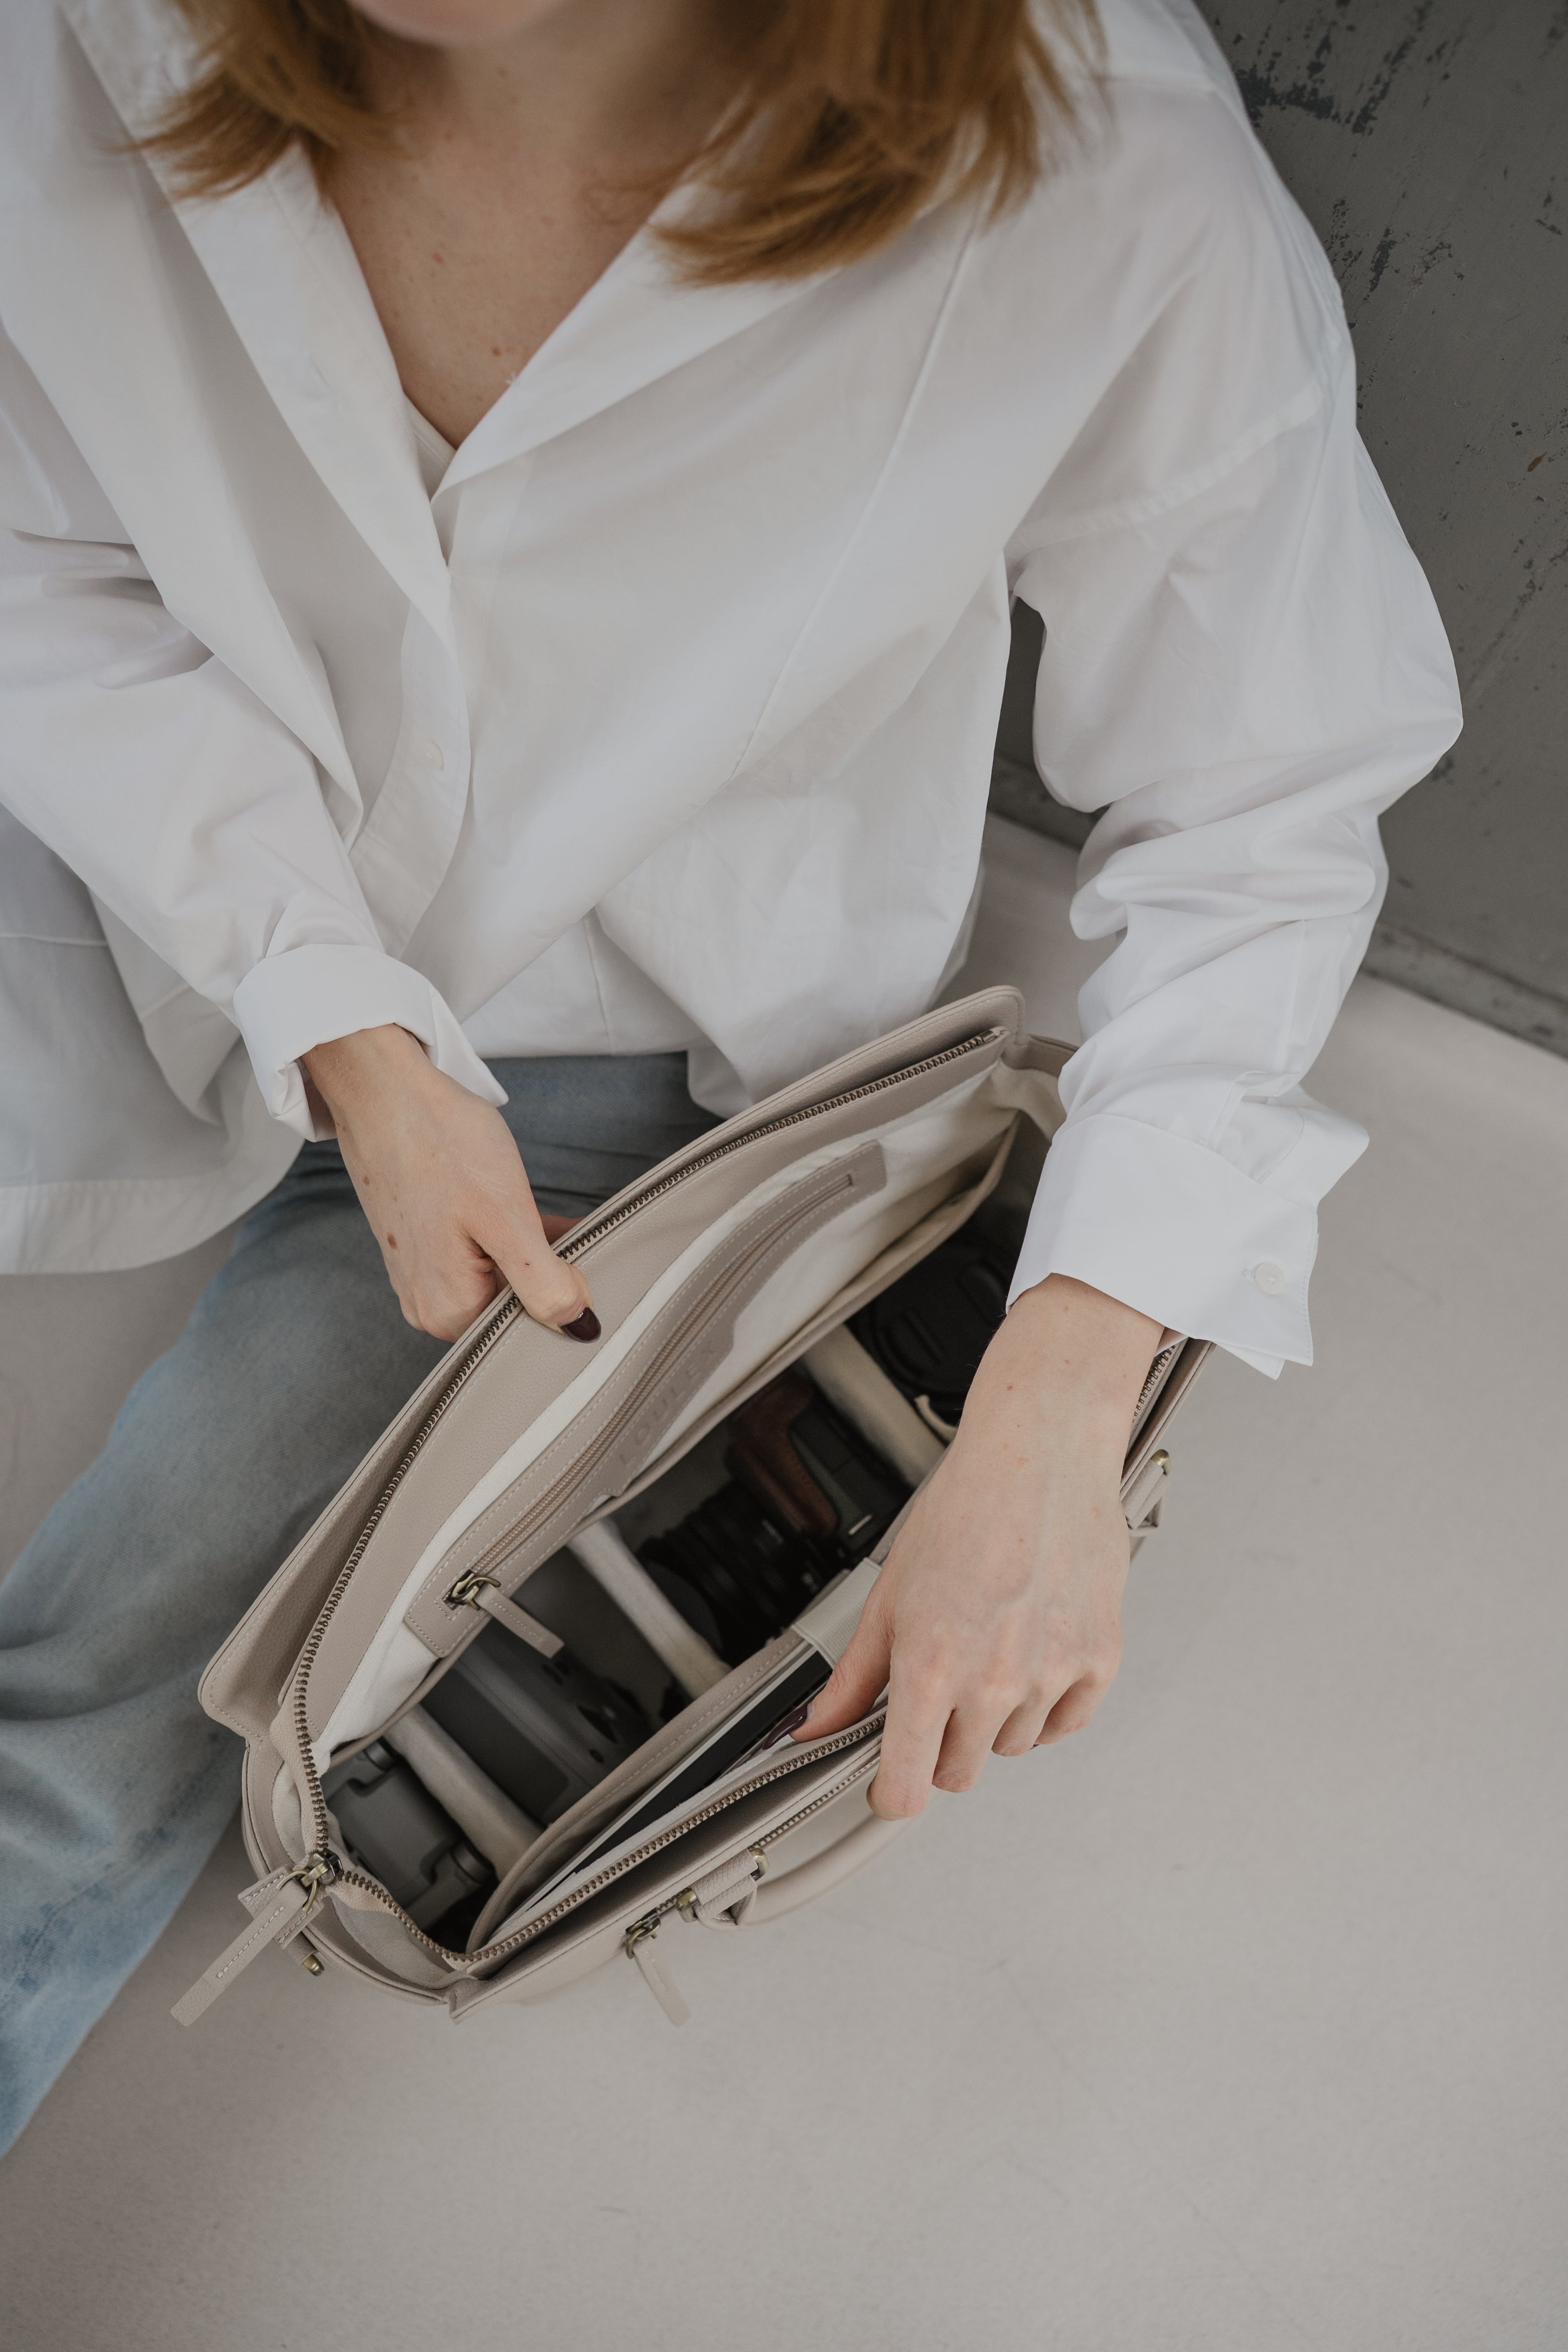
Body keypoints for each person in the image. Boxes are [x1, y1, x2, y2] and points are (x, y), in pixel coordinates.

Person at [0, 0, 1459, 2151]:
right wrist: (335, 1006)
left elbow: (1261, 789)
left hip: (633, 1064)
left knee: (81, 1729)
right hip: (118, 891)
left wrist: (1063, 1394)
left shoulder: (1097, 155)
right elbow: (47, 564)